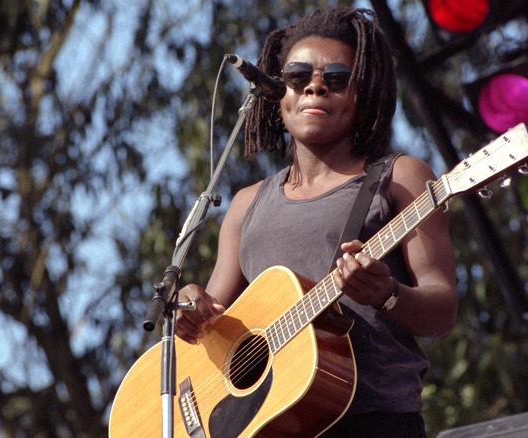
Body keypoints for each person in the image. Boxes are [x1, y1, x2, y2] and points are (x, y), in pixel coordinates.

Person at [176, 6, 458, 437]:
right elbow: (214, 325)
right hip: (275, 423)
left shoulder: (399, 177)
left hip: (373, 421)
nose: (315, 87)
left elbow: (442, 310)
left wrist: (387, 294)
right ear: (278, 94)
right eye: (297, 77)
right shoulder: (247, 203)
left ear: (363, 96)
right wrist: (193, 309)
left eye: (337, 79)